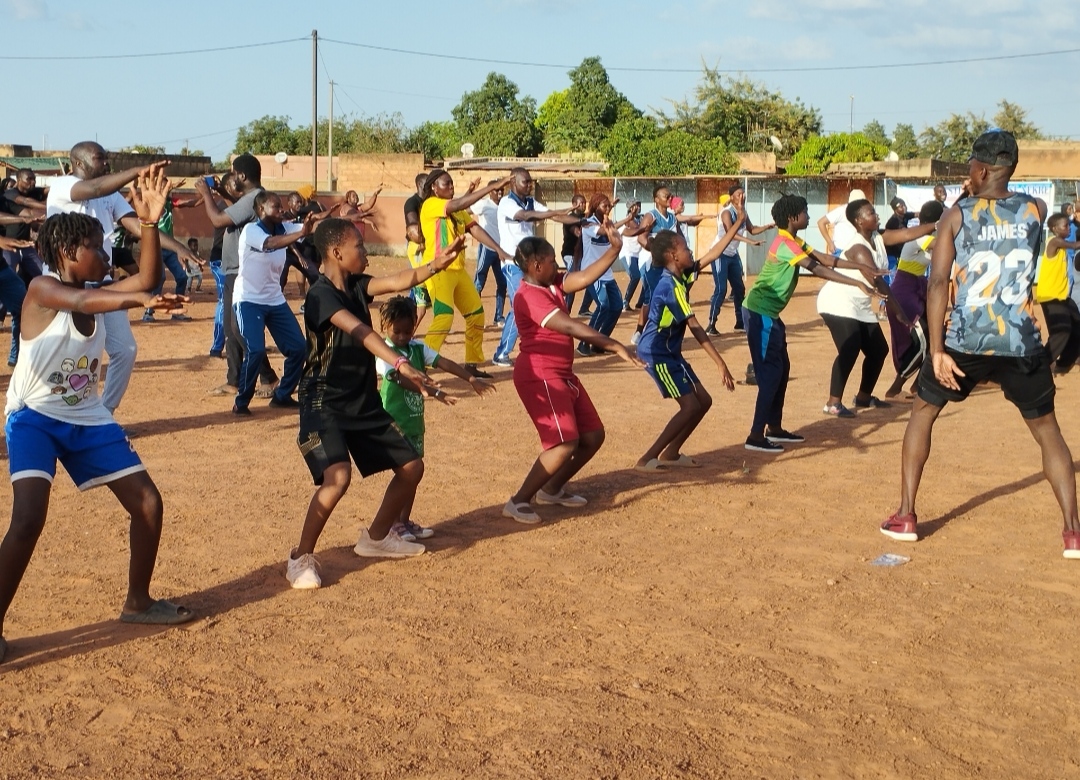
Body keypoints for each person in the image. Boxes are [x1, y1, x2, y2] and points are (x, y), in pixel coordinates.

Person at [0, 168, 195, 664]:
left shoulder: (100, 284)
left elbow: (147, 279)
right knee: (27, 519)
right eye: (96, 247)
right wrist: (138, 297)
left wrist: (150, 225)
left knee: (148, 504)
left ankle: (138, 601)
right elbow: (87, 299)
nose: (106, 255)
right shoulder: (43, 289)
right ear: (69, 253)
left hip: (86, 416)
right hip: (34, 417)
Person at [882, 130, 1080, 559]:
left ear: (983, 168)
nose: (967, 172)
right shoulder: (1038, 209)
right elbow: (1017, 208)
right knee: (1048, 433)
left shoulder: (957, 215)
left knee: (921, 414)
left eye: (971, 165)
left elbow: (937, 283)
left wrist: (936, 351)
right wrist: (984, 187)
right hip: (1022, 340)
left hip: (966, 340)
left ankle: (905, 515)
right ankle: (1072, 532)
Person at [285, 219, 465, 589]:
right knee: (337, 479)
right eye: (359, 247)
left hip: (361, 399)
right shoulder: (320, 295)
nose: (366, 252)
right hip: (324, 401)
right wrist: (400, 363)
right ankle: (300, 557)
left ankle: (377, 537)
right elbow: (361, 331)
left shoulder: (355, 285)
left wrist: (436, 265)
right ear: (336, 253)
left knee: (412, 467)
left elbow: (401, 280)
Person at [502, 224, 642, 524]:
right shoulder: (528, 295)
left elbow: (583, 277)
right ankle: (519, 500)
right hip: (540, 375)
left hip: (562, 373)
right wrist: (613, 343)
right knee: (564, 443)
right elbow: (570, 326)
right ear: (536, 265)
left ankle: (551, 489)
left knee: (592, 436)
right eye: (553, 261)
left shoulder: (551, 283)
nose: (558, 265)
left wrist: (615, 250)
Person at [47, 142, 199, 413]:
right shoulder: (63, 186)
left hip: (102, 285)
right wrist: (138, 170)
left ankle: (104, 413)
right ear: (79, 163)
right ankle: (46, 409)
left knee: (125, 351)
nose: (106, 163)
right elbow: (94, 188)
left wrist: (178, 247)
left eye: (106, 159)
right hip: (65, 287)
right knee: (64, 354)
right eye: (99, 158)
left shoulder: (110, 195)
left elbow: (139, 225)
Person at [743, 194, 880, 453]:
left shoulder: (794, 240)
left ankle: (774, 427)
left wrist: (862, 269)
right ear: (793, 217)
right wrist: (856, 282)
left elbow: (826, 259)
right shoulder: (785, 243)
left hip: (770, 315)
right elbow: (816, 268)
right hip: (759, 313)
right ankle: (755, 436)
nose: (808, 216)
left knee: (782, 371)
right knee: (771, 374)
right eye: (805, 212)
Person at [375, 295, 496, 541]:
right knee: (405, 474)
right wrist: (435, 392)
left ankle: (404, 521)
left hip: (414, 424)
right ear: (384, 328)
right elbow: (400, 379)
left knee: (415, 474)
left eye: (407, 331)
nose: (401, 336)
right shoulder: (385, 354)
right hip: (394, 424)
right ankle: (393, 524)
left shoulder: (418, 349)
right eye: (396, 331)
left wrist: (470, 379)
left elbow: (445, 363)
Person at [634, 213, 746, 472]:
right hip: (656, 352)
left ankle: (671, 453)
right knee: (689, 406)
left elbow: (716, 252)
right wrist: (720, 363)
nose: (691, 251)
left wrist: (739, 221)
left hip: (671, 351)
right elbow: (695, 326)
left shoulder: (682, 275)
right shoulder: (668, 285)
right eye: (685, 248)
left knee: (703, 401)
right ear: (673, 256)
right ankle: (647, 458)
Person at [817, 199, 935, 417]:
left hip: (858, 304)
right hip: (837, 302)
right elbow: (878, 282)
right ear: (859, 221)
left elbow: (909, 234)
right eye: (871, 212)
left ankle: (863, 396)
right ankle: (833, 403)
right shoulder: (859, 248)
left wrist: (937, 224)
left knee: (878, 350)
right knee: (850, 348)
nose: (877, 214)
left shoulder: (879, 238)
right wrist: (898, 311)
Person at [194, 154, 279, 398]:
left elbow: (219, 219)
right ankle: (234, 379)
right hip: (237, 270)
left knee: (239, 328)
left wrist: (206, 194)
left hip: (241, 271)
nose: (230, 177)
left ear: (241, 176)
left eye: (233, 173)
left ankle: (268, 377)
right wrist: (221, 191)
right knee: (233, 329)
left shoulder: (251, 198)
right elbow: (237, 207)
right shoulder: (255, 197)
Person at [233, 191, 322, 415]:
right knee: (255, 350)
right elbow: (270, 244)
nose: (281, 210)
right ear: (261, 210)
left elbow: (307, 230)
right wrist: (301, 231)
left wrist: (314, 225)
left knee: (299, 348)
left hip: (274, 300)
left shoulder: (286, 228)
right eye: (276, 207)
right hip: (248, 300)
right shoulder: (251, 231)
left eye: (281, 206)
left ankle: (282, 395)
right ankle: (241, 402)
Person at [419, 170, 511, 377]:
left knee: (476, 314)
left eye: (452, 184)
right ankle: (420, 365)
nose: (451, 187)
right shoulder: (431, 205)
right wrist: (489, 188)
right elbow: (458, 204)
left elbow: (475, 229)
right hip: (438, 270)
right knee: (444, 317)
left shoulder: (457, 211)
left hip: (458, 271)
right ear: (434, 187)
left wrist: (498, 249)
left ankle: (472, 363)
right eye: (446, 184)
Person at [491, 168, 581, 368]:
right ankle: (502, 353)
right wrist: (552, 212)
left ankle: (532, 345)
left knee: (534, 304)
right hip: (513, 265)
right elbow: (525, 216)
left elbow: (555, 217)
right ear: (513, 182)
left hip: (530, 266)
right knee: (519, 306)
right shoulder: (507, 203)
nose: (530, 185)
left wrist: (581, 221)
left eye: (531, 182)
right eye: (526, 182)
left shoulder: (530, 201)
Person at [625, 186, 707, 345]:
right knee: (651, 298)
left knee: (669, 294)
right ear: (656, 199)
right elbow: (642, 239)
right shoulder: (650, 216)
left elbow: (678, 238)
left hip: (665, 263)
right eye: (666, 196)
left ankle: (665, 330)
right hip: (649, 262)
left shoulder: (672, 218)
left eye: (671, 197)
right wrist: (657, 251)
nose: (670, 199)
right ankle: (640, 331)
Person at [884, 199, 944, 398]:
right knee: (924, 339)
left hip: (917, 289)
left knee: (936, 335)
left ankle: (917, 385)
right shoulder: (921, 237)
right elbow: (941, 245)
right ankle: (896, 387)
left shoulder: (931, 234)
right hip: (904, 292)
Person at [706, 184, 774, 336]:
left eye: (743, 194)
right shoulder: (726, 213)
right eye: (738, 194)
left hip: (732, 254)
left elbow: (752, 229)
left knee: (739, 289)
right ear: (731, 197)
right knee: (721, 289)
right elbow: (731, 233)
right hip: (719, 253)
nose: (742, 197)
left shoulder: (743, 212)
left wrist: (767, 227)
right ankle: (711, 324)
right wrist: (750, 242)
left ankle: (739, 323)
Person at [576, 193, 636, 356]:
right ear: (595, 207)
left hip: (606, 273)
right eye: (605, 206)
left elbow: (611, 229)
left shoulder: (606, 222)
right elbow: (604, 231)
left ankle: (599, 343)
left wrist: (628, 218)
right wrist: (626, 219)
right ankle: (584, 343)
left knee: (616, 307)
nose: (608, 209)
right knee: (603, 306)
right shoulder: (588, 224)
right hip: (592, 272)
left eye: (609, 206)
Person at [1035, 212, 1080, 373]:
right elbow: (1075, 246)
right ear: (1055, 229)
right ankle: (1042, 365)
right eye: (1065, 226)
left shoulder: (1061, 244)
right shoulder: (1053, 242)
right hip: (1050, 296)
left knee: (1077, 328)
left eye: (1069, 225)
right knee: (1061, 331)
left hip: (1062, 296)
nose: (1068, 228)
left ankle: (1064, 364)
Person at [206, 173, 241, 359]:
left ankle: (239, 341)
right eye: (237, 185)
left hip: (234, 262)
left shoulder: (237, 206)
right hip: (220, 260)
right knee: (223, 301)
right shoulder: (226, 207)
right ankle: (217, 347)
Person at [470, 180, 507, 327]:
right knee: (479, 283)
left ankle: (498, 317)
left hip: (500, 251)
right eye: (496, 191)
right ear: (490, 191)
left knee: (502, 284)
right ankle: (475, 318)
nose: (499, 193)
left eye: (501, 191)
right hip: (486, 249)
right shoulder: (484, 204)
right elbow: (467, 210)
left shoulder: (504, 206)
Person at [404, 172, 431, 331]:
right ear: (421, 185)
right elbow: (413, 228)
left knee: (417, 293)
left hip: (427, 248)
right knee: (420, 290)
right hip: (418, 250)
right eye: (429, 184)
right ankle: (410, 331)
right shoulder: (411, 203)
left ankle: (404, 316)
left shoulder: (430, 202)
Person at [816, 188, 865, 256]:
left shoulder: (863, 213)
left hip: (856, 252)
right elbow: (821, 222)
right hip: (840, 250)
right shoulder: (842, 210)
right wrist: (829, 243)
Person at [620, 202, 643, 311]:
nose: (638, 207)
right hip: (628, 254)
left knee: (645, 278)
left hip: (638, 254)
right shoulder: (628, 220)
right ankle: (625, 302)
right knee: (635, 276)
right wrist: (646, 226)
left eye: (639, 205)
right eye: (636, 205)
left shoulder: (640, 218)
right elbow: (636, 229)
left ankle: (641, 303)